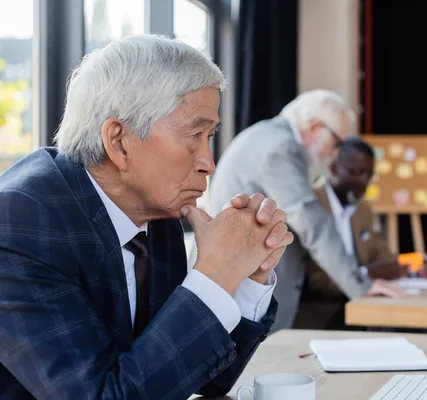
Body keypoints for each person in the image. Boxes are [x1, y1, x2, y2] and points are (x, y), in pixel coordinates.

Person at [0, 34, 294, 399]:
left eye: (211, 136)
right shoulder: (17, 222)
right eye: (195, 134)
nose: (209, 163)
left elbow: (201, 378)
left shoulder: (155, 212)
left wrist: (247, 274)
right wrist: (215, 275)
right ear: (120, 141)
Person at [207, 89, 405, 332]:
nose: (335, 152)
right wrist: (362, 288)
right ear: (314, 127)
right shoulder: (282, 148)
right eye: (337, 142)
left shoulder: (265, 134)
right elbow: (313, 224)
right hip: (246, 283)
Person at [295, 138, 427, 329]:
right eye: (356, 172)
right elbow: (314, 280)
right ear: (334, 169)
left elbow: (383, 255)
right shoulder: (312, 206)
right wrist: (365, 274)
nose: (363, 181)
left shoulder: (363, 210)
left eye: (368, 175)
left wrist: (414, 269)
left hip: (364, 306)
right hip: (320, 313)